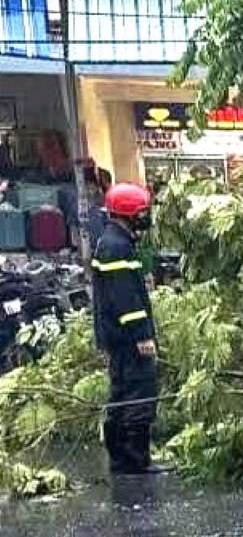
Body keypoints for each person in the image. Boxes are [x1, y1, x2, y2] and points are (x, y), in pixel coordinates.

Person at [88, 182, 161, 476]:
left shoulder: (114, 242)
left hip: (117, 336)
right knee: (138, 393)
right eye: (142, 211)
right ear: (130, 213)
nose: (146, 216)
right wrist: (143, 336)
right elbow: (125, 300)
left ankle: (122, 458)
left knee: (121, 392)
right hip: (127, 338)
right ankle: (135, 458)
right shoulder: (116, 246)